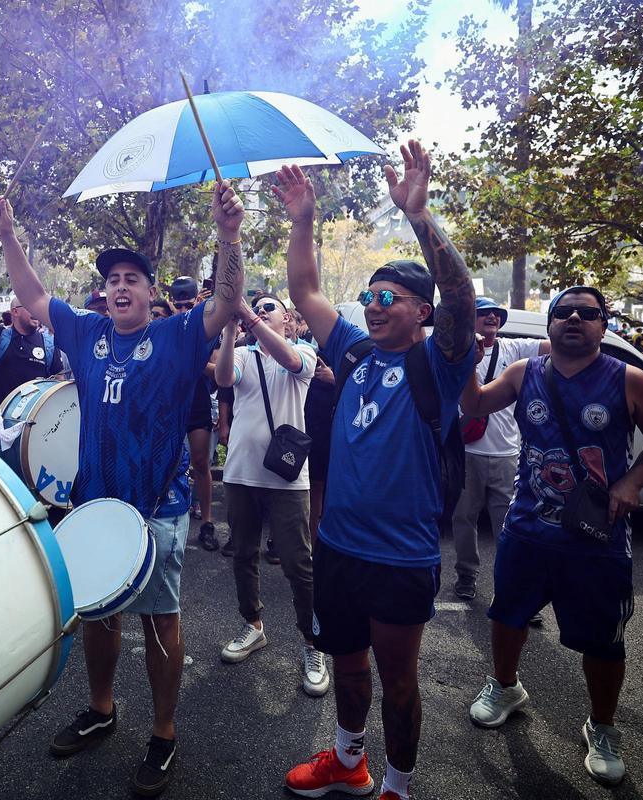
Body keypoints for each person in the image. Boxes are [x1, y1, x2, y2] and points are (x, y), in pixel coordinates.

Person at [0, 178, 244, 796]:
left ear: (152, 294)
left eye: (133, 279)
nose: (121, 286)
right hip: (96, 509)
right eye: (114, 280)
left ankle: (162, 734)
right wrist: (6, 236)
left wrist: (228, 236)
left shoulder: (178, 338)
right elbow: (34, 293)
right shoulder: (84, 332)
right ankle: (102, 711)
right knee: (99, 620)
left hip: (158, 510)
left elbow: (229, 303)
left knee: (158, 623)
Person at [279, 141, 477, 800]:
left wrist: (420, 218)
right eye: (369, 294)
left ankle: (397, 784)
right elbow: (304, 290)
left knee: (399, 677)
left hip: (400, 557)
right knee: (347, 662)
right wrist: (303, 218)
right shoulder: (356, 351)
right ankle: (348, 760)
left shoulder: (440, 366)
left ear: (422, 312)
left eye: (389, 296)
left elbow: (461, 292)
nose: (374, 303)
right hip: (338, 549)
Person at [461, 286, 643, 786]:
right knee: (508, 614)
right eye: (564, 312)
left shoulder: (630, 379)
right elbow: (473, 405)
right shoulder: (524, 373)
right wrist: (466, 362)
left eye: (588, 313)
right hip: (527, 525)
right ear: (551, 323)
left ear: (604, 325)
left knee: (602, 639)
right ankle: (505, 686)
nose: (574, 319)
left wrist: (630, 482)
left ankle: (602, 725)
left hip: (597, 536)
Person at [213, 293, 329, 694]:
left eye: (268, 308)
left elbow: (292, 363)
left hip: (286, 479)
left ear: (289, 320)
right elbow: (224, 379)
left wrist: (248, 316)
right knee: (243, 554)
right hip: (241, 473)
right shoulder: (245, 355)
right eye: (256, 307)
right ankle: (252, 624)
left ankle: (313, 643)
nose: (260, 313)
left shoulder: (304, 353)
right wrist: (230, 332)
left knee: (299, 563)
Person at [451, 297, 550, 601]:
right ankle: (466, 576)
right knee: (464, 519)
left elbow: (552, 346)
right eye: (483, 313)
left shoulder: (513, 348)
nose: (491, 317)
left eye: (496, 313)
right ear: (471, 319)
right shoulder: (456, 353)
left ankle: (514, 586)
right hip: (468, 453)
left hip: (508, 454)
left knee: (509, 525)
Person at [0, 264, 63, 421]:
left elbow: (58, 381)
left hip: (31, 429)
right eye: (29, 306)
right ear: (15, 311)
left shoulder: (48, 344)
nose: (36, 310)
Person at [169, 276, 217, 550]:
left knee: (201, 463)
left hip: (197, 400)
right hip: (172, 403)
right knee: (170, 461)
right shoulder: (166, 329)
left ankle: (207, 522)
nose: (184, 310)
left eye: (189, 304)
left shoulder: (207, 330)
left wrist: (196, 357)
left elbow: (218, 371)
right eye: (179, 305)